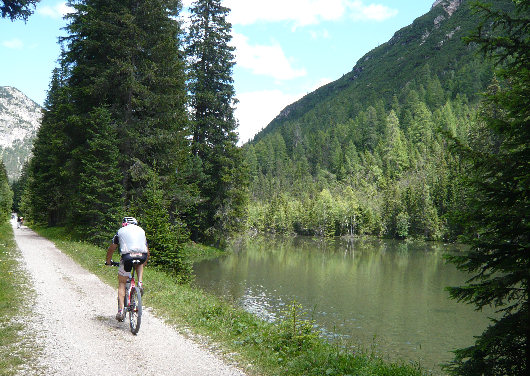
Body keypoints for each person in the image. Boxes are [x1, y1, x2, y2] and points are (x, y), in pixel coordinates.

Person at [105, 217, 149, 321]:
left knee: (122, 284)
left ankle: (120, 311)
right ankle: (140, 283)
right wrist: (145, 262)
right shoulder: (141, 231)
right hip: (142, 256)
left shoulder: (120, 231)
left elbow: (112, 248)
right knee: (140, 262)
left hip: (127, 257)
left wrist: (108, 261)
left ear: (124, 224)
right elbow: (147, 250)